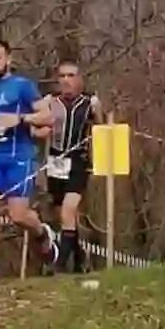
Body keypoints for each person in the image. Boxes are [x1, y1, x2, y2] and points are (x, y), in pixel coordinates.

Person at [0, 39, 58, 280]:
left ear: (8, 59)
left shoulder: (22, 86)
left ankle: (42, 232)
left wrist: (20, 119)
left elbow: (47, 117)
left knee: (18, 215)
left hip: (18, 156)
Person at [45, 60, 103, 274]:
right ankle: (80, 258)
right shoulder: (50, 102)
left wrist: (98, 162)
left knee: (69, 209)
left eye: (71, 76)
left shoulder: (90, 103)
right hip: (55, 161)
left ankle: (59, 264)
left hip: (79, 161)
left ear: (79, 79)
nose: (66, 81)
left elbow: (102, 130)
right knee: (63, 214)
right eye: (62, 76)